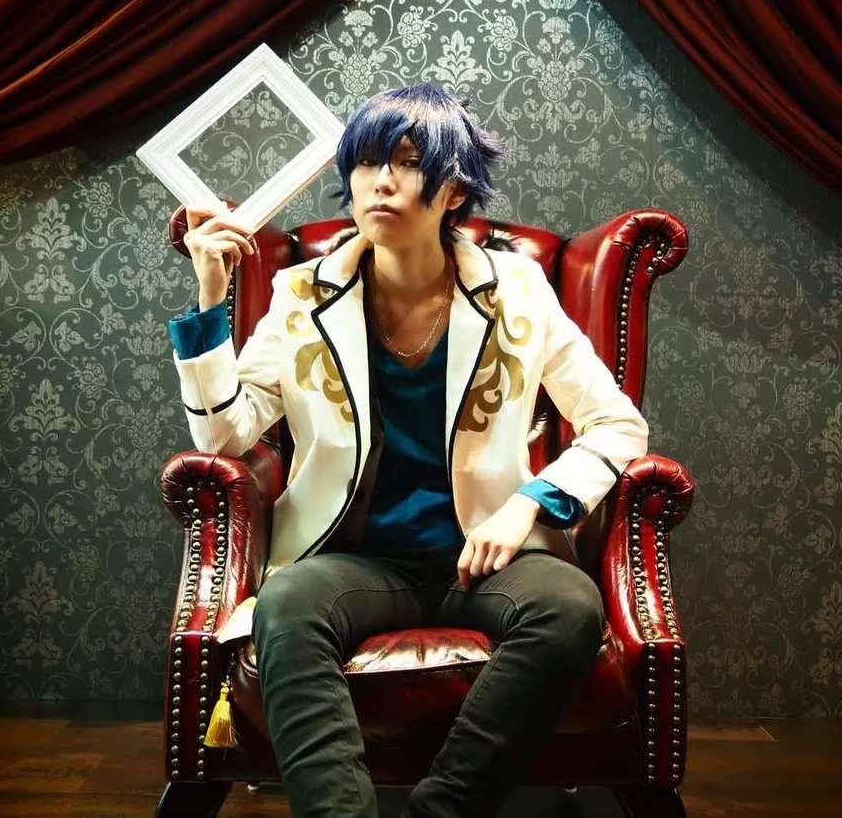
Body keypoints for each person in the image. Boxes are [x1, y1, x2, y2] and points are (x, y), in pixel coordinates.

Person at [167, 81, 648, 817]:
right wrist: (209, 300)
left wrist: (529, 504)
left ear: (454, 190)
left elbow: (616, 425)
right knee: (287, 603)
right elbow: (225, 435)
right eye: (365, 163)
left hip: (483, 559)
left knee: (569, 606)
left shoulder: (516, 290)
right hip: (354, 559)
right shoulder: (302, 294)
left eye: (408, 163)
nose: (380, 182)